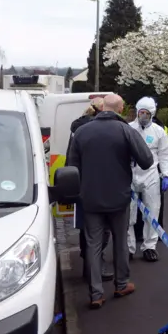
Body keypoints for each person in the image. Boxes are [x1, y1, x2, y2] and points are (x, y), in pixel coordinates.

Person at [67, 94, 154, 309]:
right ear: (121, 108)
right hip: (119, 197)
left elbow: (71, 166)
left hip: (90, 199)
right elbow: (147, 161)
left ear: (102, 107)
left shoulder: (81, 132)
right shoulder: (126, 131)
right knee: (120, 241)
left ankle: (95, 293)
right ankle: (121, 283)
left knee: (93, 244)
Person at [65, 98, 113, 282]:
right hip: (98, 184)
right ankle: (95, 266)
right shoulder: (95, 129)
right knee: (101, 229)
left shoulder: (78, 128)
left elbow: (72, 158)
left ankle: (88, 264)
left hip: (79, 183)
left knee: (86, 228)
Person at [126, 97, 168, 262]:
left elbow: (165, 154)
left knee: (152, 212)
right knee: (128, 214)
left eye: (147, 113)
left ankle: (149, 246)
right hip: (130, 174)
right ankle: (129, 248)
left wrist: (166, 174)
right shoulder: (128, 129)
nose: (143, 115)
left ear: (152, 114)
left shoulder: (158, 131)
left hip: (151, 174)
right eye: (141, 112)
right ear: (137, 112)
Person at [134, 114, 168, 242]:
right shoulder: (133, 127)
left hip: (153, 169)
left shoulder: (158, 128)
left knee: (153, 205)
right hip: (143, 169)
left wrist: (166, 174)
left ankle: (152, 234)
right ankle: (142, 233)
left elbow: (164, 151)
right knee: (142, 205)